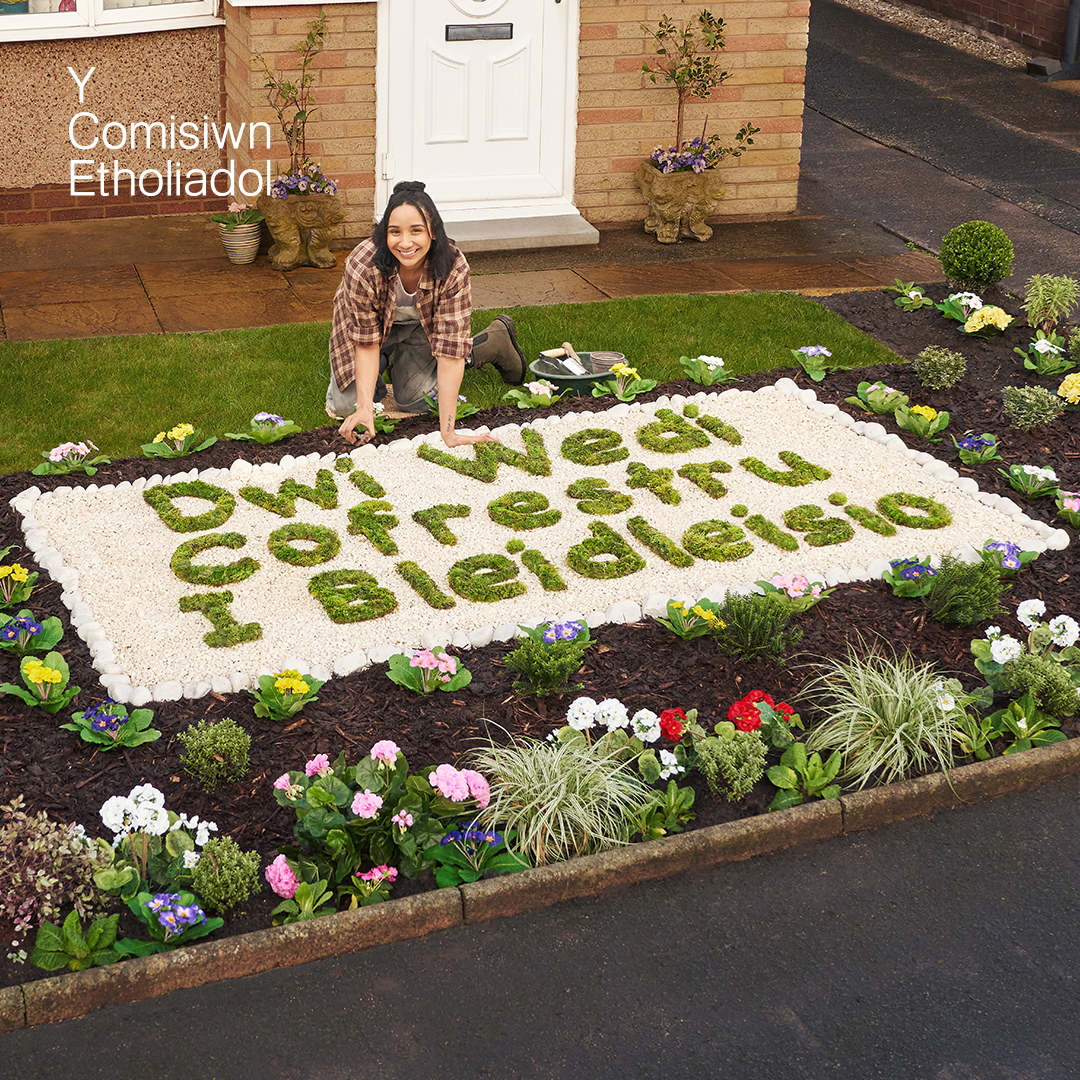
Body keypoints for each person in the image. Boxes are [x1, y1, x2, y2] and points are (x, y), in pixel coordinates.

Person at [327, 180, 527, 448]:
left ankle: (491, 343)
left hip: (420, 327)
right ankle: (384, 362)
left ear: (433, 231)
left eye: (416, 231)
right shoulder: (363, 264)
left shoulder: (452, 267)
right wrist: (363, 407)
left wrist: (449, 432)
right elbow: (365, 341)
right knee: (345, 407)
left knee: (415, 400)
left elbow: (451, 348)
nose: (405, 242)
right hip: (368, 332)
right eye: (395, 231)